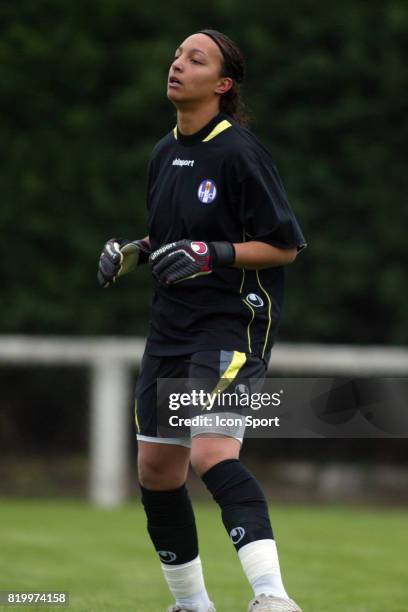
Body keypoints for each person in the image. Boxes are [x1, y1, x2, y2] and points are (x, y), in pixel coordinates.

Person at [97, 29, 306, 612]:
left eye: (196, 59)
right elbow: (170, 238)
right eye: (176, 55)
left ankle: (272, 598)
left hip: (229, 325)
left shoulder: (239, 151)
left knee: (212, 453)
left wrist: (214, 253)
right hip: (170, 326)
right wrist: (132, 251)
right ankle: (192, 605)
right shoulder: (164, 151)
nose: (177, 64)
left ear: (222, 84)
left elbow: (284, 246)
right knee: (157, 470)